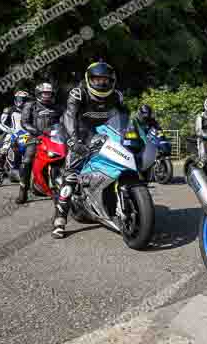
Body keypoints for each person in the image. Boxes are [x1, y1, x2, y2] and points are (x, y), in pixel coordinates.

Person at [53, 61, 126, 238]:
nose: (101, 83)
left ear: (112, 81)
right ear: (88, 79)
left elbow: (124, 117)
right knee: (71, 175)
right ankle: (60, 220)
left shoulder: (116, 96)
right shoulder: (78, 93)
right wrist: (73, 141)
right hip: (78, 134)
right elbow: (69, 116)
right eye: (97, 79)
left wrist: (128, 134)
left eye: (105, 80)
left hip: (104, 134)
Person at [16, 83, 62, 203]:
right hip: (36, 138)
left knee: (63, 159)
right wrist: (38, 132)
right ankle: (23, 190)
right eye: (44, 93)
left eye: (49, 93)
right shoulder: (30, 105)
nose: (47, 96)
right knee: (27, 162)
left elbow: (64, 121)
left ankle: (61, 190)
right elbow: (24, 122)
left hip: (55, 138)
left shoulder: (57, 107)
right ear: (38, 94)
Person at [0, 91, 30, 186]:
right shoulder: (9, 110)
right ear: (15, 99)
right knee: (2, 152)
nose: (21, 101)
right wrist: (11, 131)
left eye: (23, 99)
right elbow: (1, 124)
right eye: (19, 99)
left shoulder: (32, 110)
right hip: (12, 133)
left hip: (28, 134)